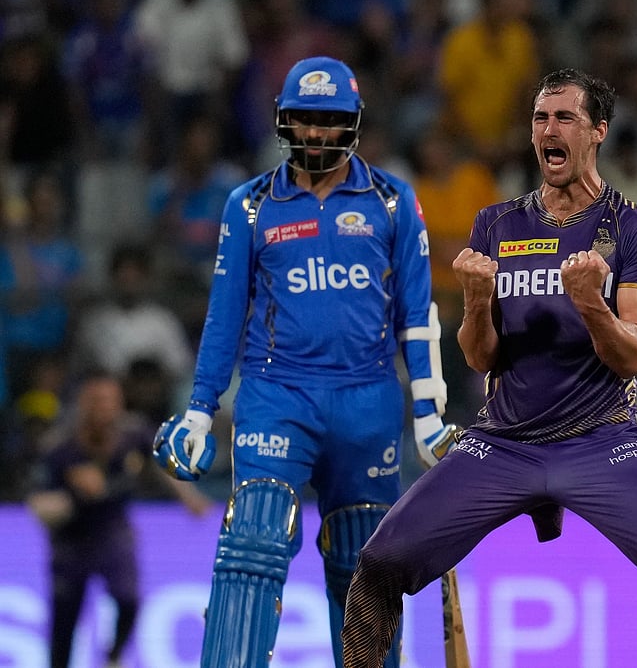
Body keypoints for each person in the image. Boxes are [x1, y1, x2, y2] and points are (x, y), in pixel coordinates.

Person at [342, 68, 637, 668]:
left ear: (598, 131)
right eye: (541, 118)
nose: (549, 129)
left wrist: (590, 301)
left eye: (565, 117)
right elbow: (479, 356)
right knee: (378, 564)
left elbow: (633, 354)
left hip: (601, 442)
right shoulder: (497, 225)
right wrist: (471, 298)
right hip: (503, 442)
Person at [150, 56, 459, 668]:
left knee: (363, 566)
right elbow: (223, 317)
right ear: (283, 121)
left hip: (368, 401)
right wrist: (198, 410)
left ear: (353, 123)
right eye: (304, 120)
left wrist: (428, 412)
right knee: (253, 544)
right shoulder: (249, 205)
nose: (315, 133)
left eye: (329, 120)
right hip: (276, 394)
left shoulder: (393, 201)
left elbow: (417, 317)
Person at [27, 372, 210, 668]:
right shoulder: (60, 447)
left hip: (112, 531)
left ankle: (113, 657)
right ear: (83, 404)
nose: (106, 408)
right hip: (70, 542)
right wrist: (70, 499)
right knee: (64, 624)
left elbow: (161, 461)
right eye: (98, 401)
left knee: (129, 598)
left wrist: (189, 497)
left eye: (112, 400)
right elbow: (37, 503)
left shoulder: (133, 433)